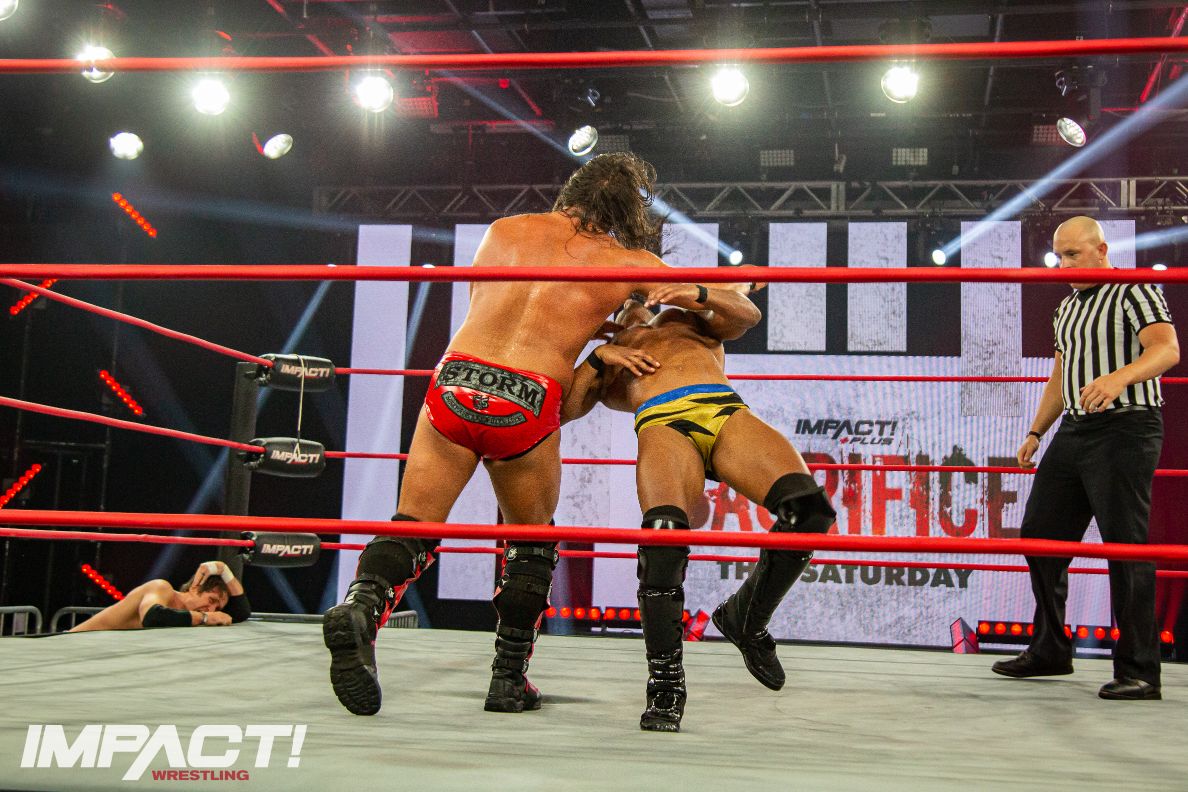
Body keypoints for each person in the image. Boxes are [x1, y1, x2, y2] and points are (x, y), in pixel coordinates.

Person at [323, 152, 741, 717]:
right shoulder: (630, 261)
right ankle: (508, 678)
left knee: (413, 523)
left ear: (573, 190)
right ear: (628, 210)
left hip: (458, 378)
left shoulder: (504, 230)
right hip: (527, 393)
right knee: (531, 542)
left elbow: (498, 306)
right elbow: (730, 310)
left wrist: (593, 327)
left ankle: (360, 609)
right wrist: (638, 325)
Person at [562, 285, 837, 732]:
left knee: (810, 511)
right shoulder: (611, 353)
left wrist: (699, 292)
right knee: (663, 540)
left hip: (723, 410)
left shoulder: (683, 319)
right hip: (662, 424)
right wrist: (597, 359)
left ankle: (746, 619)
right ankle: (666, 685)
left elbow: (747, 315)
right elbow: (565, 411)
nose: (633, 305)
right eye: (623, 301)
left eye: (636, 296)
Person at [992, 216, 1179, 700]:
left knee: (1125, 546)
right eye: (1059, 256)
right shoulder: (1066, 309)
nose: (1064, 264)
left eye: (1073, 254)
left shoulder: (1134, 290)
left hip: (1127, 425)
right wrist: (1036, 430)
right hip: (1075, 429)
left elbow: (1166, 350)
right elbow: (1061, 374)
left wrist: (1120, 377)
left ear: (1101, 250)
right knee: (1040, 535)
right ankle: (1051, 648)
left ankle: (1140, 670)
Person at [68, 560, 251, 632]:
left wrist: (224, 570)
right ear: (195, 587)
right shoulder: (162, 588)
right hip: (76, 642)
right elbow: (152, 617)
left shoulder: (187, 616)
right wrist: (205, 618)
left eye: (217, 608)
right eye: (211, 600)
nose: (211, 609)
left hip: (102, 651)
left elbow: (241, 612)